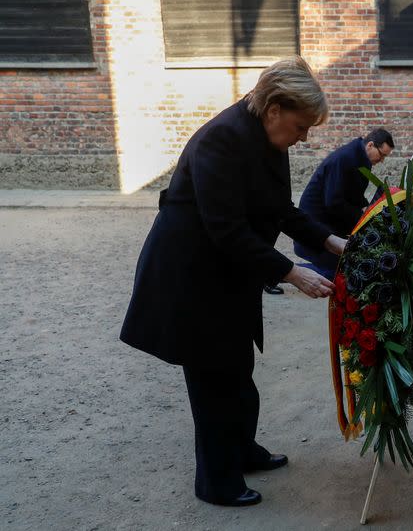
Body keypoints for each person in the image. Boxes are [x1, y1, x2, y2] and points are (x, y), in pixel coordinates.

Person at [119, 57, 345, 507]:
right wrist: (292, 272)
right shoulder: (221, 140)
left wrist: (332, 241)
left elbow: (282, 210)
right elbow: (226, 229)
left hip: (227, 270)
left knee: (238, 368)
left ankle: (242, 449)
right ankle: (217, 481)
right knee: (212, 379)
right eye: (301, 126)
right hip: (191, 273)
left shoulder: (268, 140)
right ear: (274, 109)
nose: (303, 138)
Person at [293, 128, 394, 279]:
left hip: (329, 221)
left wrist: (368, 210)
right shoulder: (346, 158)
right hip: (315, 225)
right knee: (336, 272)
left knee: (348, 266)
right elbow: (333, 202)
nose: (382, 160)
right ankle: (279, 271)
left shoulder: (359, 157)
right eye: (382, 155)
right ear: (371, 145)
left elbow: (354, 195)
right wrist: (361, 217)